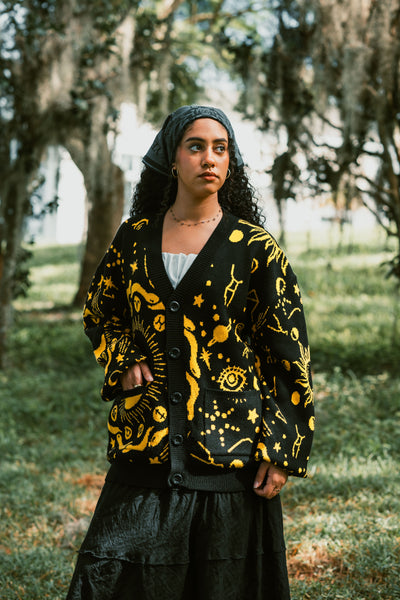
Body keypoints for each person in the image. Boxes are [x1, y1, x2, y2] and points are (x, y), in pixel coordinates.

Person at [66, 105, 314, 600]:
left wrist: (281, 451)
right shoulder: (134, 240)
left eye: (220, 148)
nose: (209, 158)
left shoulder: (255, 249)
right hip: (145, 452)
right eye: (196, 146)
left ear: (231, 162)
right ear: (171, 159)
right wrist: (123, 357)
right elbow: (100, 312)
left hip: (228, 461)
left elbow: (288, 357)